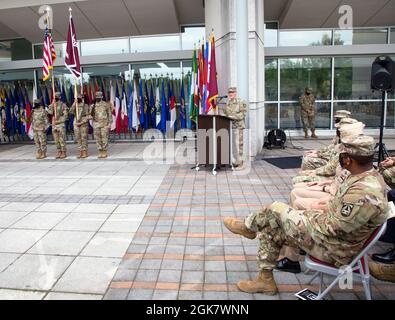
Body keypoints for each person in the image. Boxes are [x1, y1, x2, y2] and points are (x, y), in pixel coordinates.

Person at [223, 135, 389, 295]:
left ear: (348, 160)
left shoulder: (364, 192)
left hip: (334, 249)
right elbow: (338, 213)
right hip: (332, 238)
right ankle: (265, 280)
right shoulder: (366, 176)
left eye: (342, 155)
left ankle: (247, 226)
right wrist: (309, 214)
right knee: (273, 225)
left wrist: (303, 218)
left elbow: (334, 229)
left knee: (276, 209)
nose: (340, 158)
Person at [293, 119, 362, 185]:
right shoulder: (343, 143)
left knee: (299, 179)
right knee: (302, 171)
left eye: (342, 130)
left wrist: (315, 171)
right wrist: (318, 153)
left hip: (333, 178)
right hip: (333, 175)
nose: (339, 131)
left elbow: (332, 169)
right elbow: (330, 149)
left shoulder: (350, 148)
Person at [224, 87, 247, 170]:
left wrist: (232, 117)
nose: (231, 94)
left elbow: (243, 114)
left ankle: (241, 164)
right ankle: (236, 162)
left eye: (232, 92)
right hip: (231, 127)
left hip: (238, 126)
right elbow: (226, 113)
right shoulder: (228, 103)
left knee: (239, 145)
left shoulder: (241, 102)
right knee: (233, 146)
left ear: (235, 93)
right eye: (229, 92)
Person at [90, 91, 112, 159]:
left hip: (104, 124)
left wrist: (110, 123)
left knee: (104, 138)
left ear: (102, 97)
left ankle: (104, 151)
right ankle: (100, 151)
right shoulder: (92, 105)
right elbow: (90, 115)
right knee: (98, 138)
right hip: (96, 124)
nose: (98, 98)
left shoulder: (106, 104)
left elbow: (109, 114)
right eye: (97, 97)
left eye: (99, 97)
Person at [48, 92, 69, 159]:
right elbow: (50, 112)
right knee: (56, 139)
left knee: (62, 139)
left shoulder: (63, 105)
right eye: (55, 96)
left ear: (60, 97)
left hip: (60, 124)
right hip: (54, 124)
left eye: (57, 96)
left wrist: (59, 121)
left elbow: (65, 115)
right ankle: (59, 151)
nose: (56, 97)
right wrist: (52, 104)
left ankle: (63, 152)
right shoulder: (52, 105)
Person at [70, 94, 90, 159]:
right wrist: (74, 103)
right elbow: (71, 112)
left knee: (83, 138)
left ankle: (85, 152)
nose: (77, 99)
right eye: (76, 98)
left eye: (78, 98)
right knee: (78, 138)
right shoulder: (75, 105)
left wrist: (82, 122)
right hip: (76, 122)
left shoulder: (85, 105)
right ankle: (80, 152)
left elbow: (88, 116)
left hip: (83, 123)